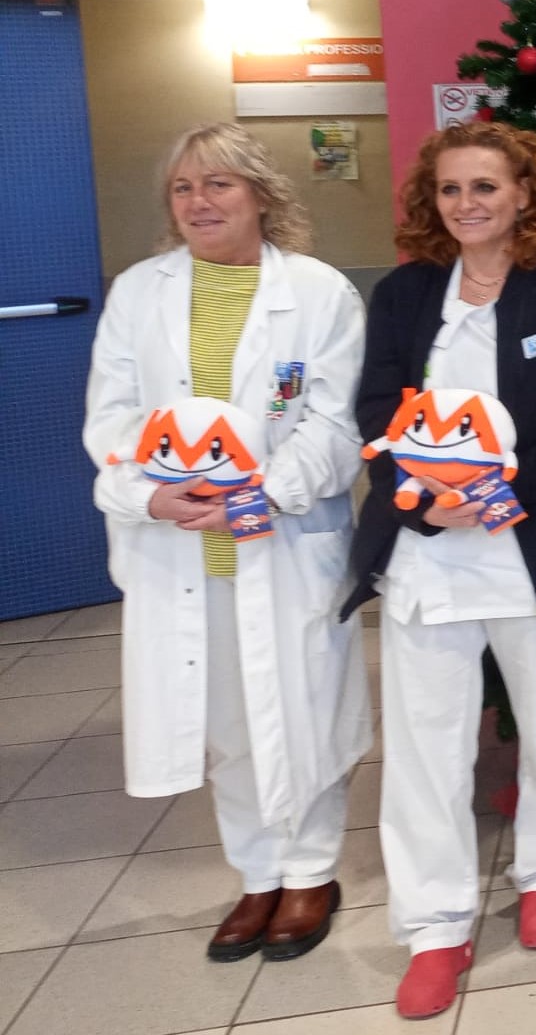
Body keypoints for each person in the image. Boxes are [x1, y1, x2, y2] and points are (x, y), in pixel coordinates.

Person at [344, 120, 536, 1020]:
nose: (466, 203)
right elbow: (376, 409)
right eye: (451, 188)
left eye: (485, 186)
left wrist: (502, 489)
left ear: (525, 194)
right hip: (428, 551)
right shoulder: (404, 294)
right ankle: (434, 924)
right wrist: (424, 497)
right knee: (425, 744)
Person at [84, 122, 368, 964]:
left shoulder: (318, 293)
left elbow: (334, 424)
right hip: (179, 543)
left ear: (260, 195)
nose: (199, 201)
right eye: (183, 187)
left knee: (304, 707)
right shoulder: (139, 293)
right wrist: (149, 492)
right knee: (226, 721)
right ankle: (257, 872)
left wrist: (264, 490)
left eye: (219, 184)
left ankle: (311, 870)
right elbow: (111, 416)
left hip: (283, 537)